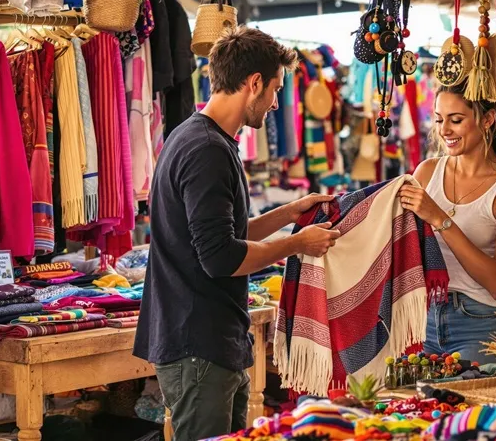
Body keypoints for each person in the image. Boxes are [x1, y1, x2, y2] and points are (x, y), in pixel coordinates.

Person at [134, 26, 341, 441]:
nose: (276, 102)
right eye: (276, 89)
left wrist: (288, 213)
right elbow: (220, 256)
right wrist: (298, 244)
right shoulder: (207, 150)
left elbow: (218, 235)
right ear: (254, 84)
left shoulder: (199, 138)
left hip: (207, 339)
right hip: (199, 342)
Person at [398, 82, 496, 364]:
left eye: (456, 120)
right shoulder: (427, 173)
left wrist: (440, 219)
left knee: (471, 407)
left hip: (479, 322)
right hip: (420, 319)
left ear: (487, 119)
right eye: (439, 119)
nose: (444, 130)